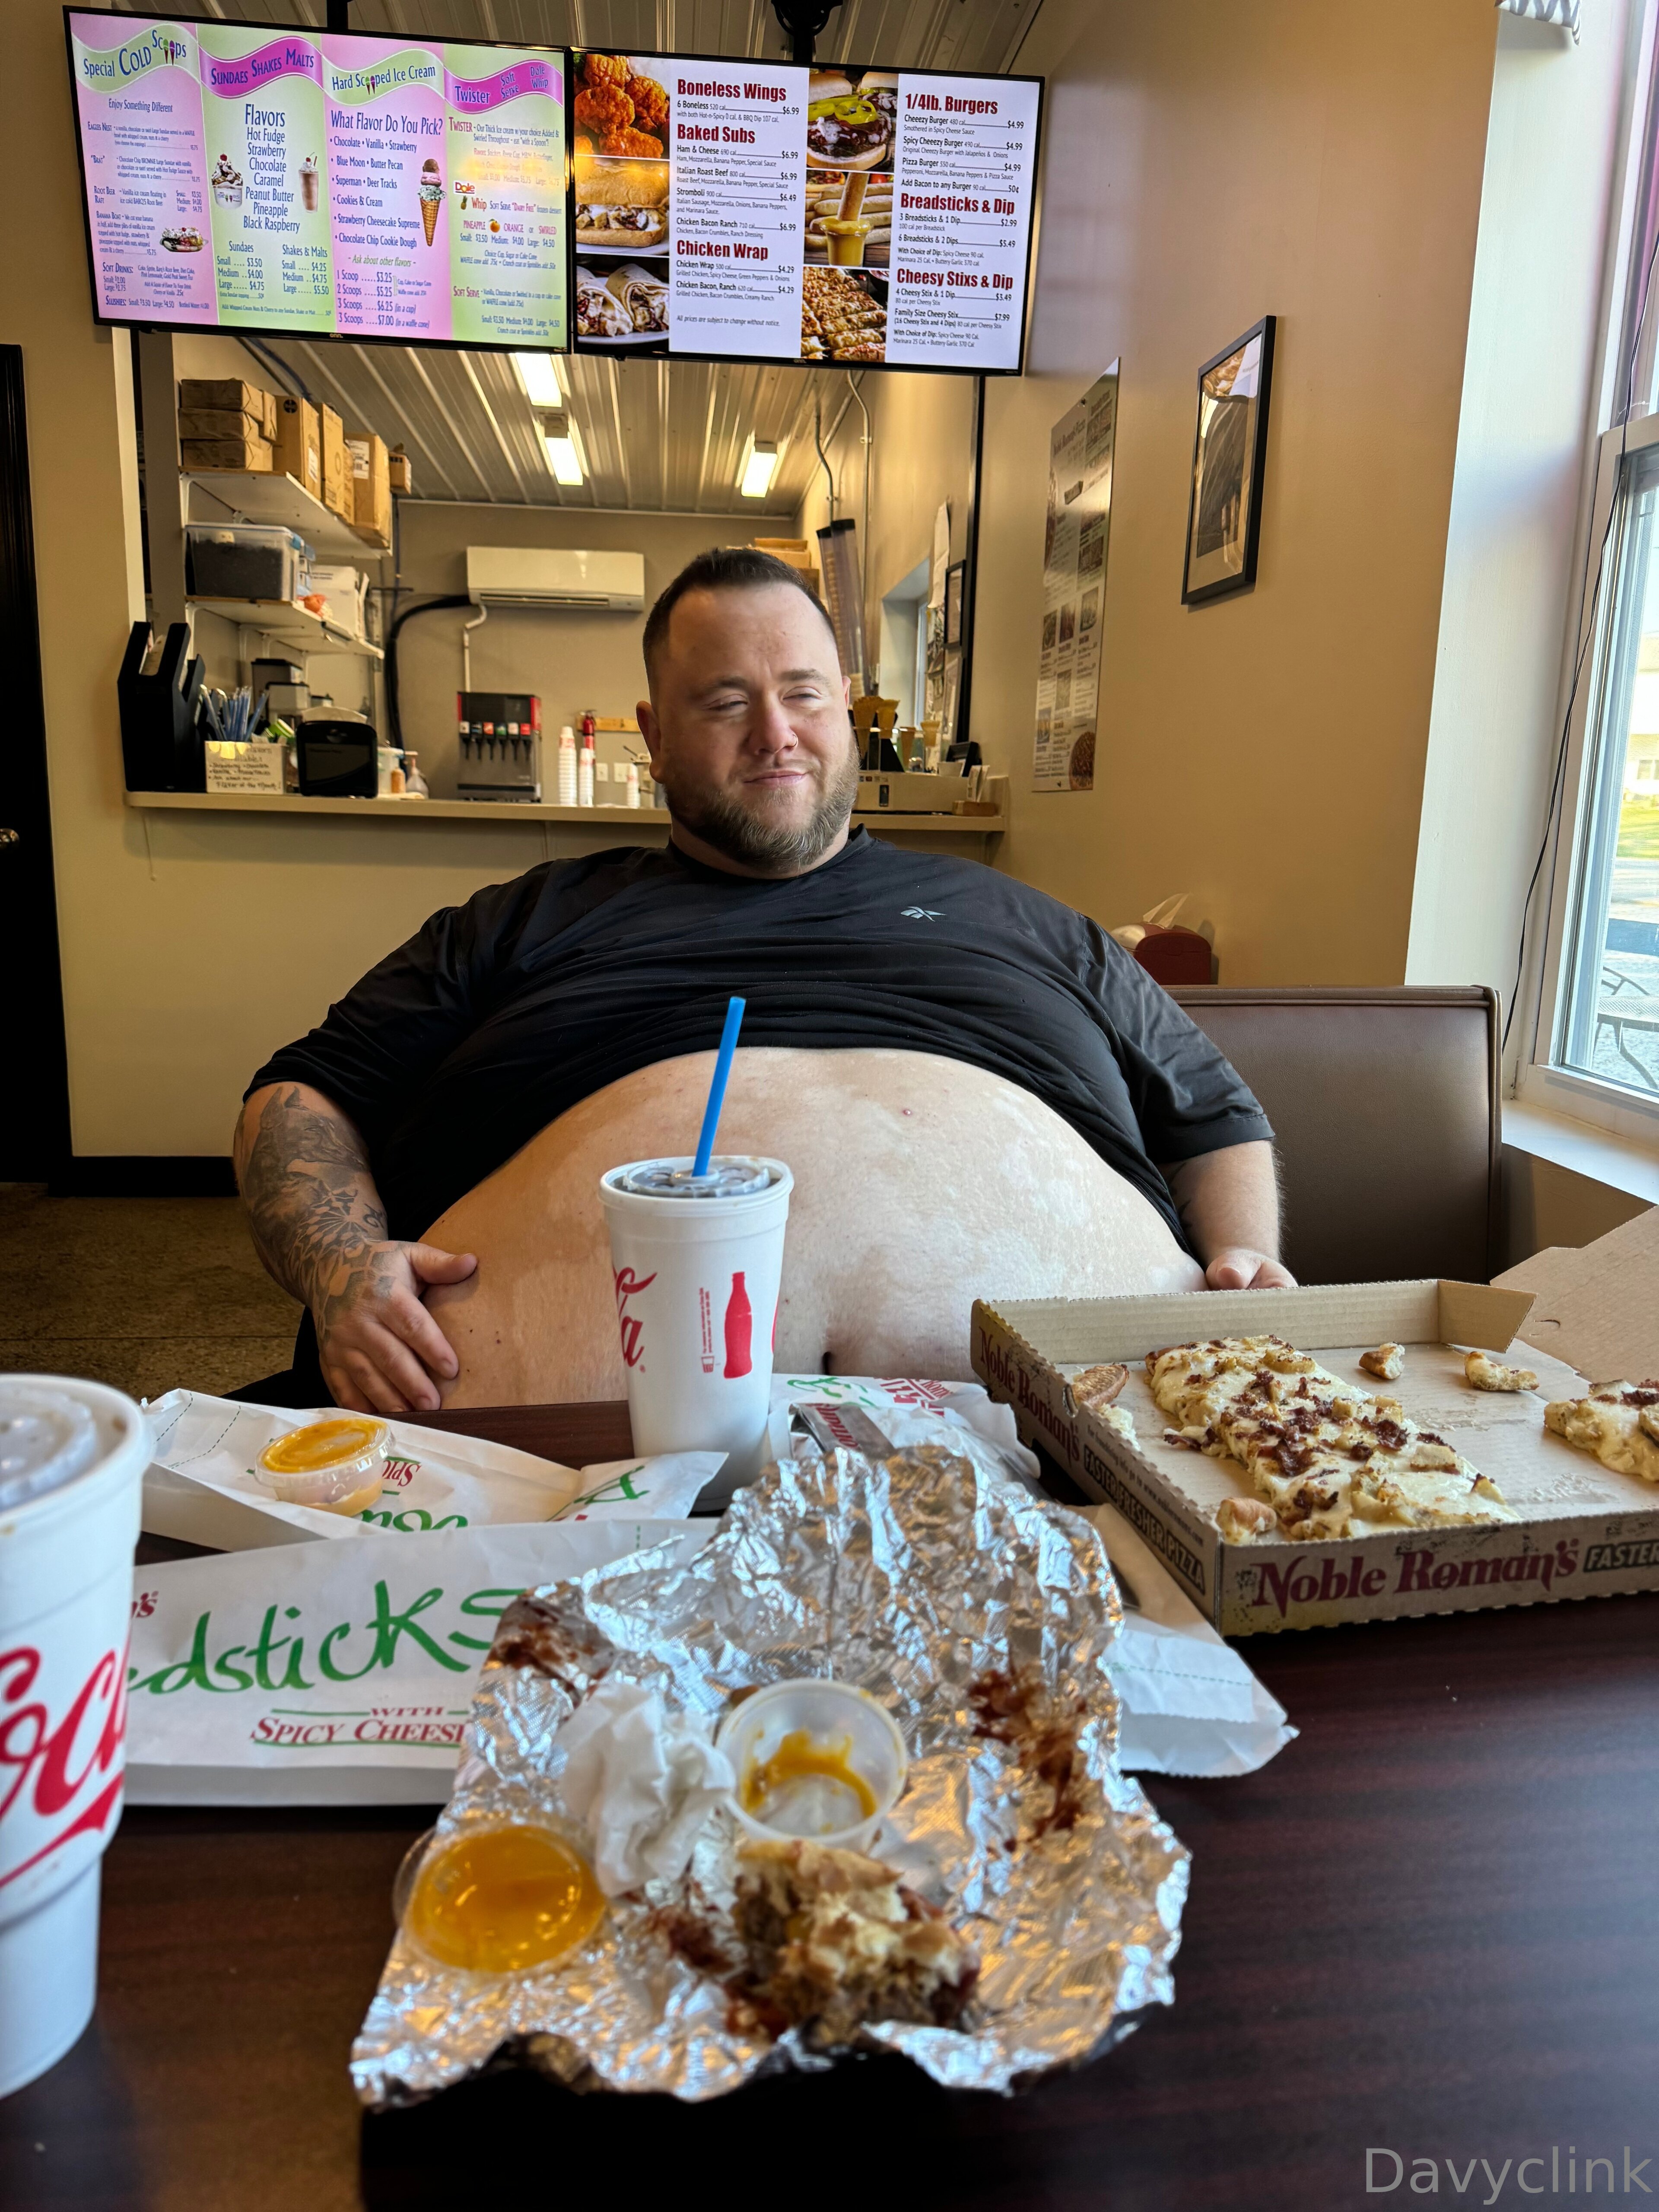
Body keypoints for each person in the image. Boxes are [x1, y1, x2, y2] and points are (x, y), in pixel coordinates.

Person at [235, 548, 1291, 1416]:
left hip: (1091, 1458)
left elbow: (1212, 1113)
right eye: (726, 702)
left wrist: (1244, 1260)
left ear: (847, 711)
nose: (774, 735)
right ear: (655, 738)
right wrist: (340, 1263)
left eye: (802, 694)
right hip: (533, 1484)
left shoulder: (1029, 921)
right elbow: (299, 1096)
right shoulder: (525, 921)